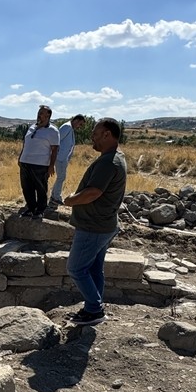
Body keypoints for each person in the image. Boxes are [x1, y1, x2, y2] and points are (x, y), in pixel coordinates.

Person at [62, 118, 127, 326]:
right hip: (104, 224)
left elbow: (93, 193)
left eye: (95, 134)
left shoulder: (108, 162)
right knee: (93, 269)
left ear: (107, 134)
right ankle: (94, 307)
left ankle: (94, 309)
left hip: (94, 226)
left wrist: (70, 200)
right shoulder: (116, 157)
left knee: (76, 268)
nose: (92, 137)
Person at [19, 105, 60, 218]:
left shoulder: (52, 131)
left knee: (41, 188)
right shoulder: (32, 127)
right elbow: (26, 143)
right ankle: (31, 209)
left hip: (40, 164)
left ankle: (40, 211)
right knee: (27, 188)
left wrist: (51, 165)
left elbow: (55, 149)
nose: (39, 114)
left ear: (48, 116)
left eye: (42, 113)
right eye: (39, 112)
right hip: (25, 162)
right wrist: (20, 157)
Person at [50, 114, 88, 207]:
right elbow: (57, 141)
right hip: (60, 157)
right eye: (80, 124)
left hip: (63, 157)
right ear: (76, 120)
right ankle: (55, 197)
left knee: (61, 177)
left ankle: (54, 196)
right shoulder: (67, 127)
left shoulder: (70, 128)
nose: (80, 126)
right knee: (61, 177)